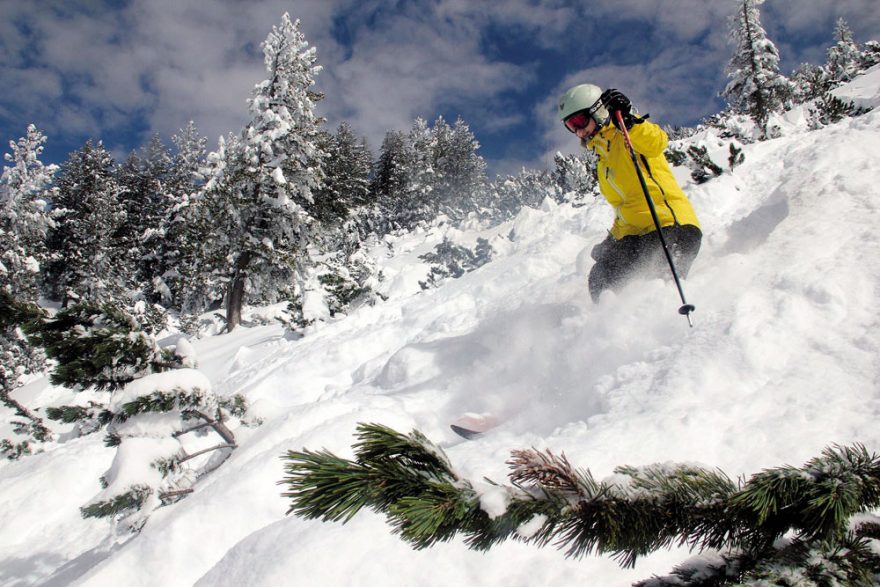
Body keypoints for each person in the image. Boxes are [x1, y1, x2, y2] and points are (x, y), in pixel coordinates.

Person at [558, 84, 702, 303]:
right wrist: (612, 240)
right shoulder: (603, 159)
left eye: (579, 121)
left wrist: (629, 121)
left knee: (658, 292)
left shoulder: (627, 134)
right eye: (571, 126)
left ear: (598, 110)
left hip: (671, 228)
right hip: (639, 237)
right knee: (600, 277)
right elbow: (624, 207)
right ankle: (608, 327)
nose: (578, 131)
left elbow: (657, 142)